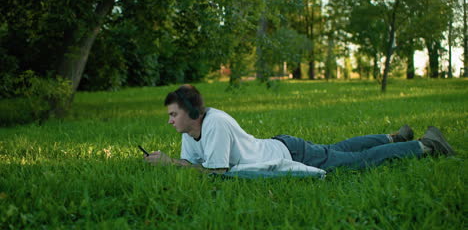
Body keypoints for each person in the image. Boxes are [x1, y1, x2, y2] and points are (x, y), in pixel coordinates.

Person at [144, 84, 456, 174]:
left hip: (289, 152)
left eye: (174, 114)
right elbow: (195, 165)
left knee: (352, 163)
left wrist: (172, 164)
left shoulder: (216, 124)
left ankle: (425, 145)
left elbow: (217, 171)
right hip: (285, 144)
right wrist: (175, 163)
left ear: (192, 113)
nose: (170, 120)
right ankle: (394, 138)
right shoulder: (190, 132)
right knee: (340, 149)